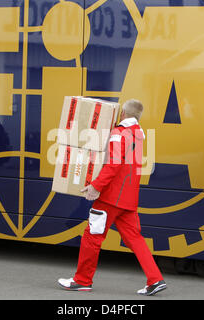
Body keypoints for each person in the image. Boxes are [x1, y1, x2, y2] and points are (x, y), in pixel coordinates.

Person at [57, 99, 166, 296]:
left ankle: (82, 280)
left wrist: (95, 186)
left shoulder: (119, 134)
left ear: (122, 113)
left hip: (110, 199)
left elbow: (113, 166)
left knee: (92, 237)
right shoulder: (139, 135)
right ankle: (155, 279)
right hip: (129, 200)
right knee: (136, 239)